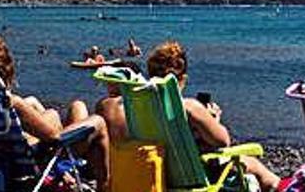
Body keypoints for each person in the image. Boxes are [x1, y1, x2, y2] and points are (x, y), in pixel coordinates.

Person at [0, 36, 110, 192]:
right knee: (98, 121)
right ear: (6, 70)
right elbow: (53, 137)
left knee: (49, 109)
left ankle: (66, 173)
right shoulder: (10, 102)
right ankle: (104, 185)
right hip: (27, 163)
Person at [145, 41, 285, 192]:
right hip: (195, 177)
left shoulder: (142, 107)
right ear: (183, 78)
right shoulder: (189, 107)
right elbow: (222, 141)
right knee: (254, 165)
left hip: (161, 175)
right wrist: (213, 119)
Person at [94, 60, 144, 143]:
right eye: (109, 82)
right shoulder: (147, 102)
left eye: (114, 82)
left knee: (77, 106)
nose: (110, 86)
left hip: (118, 152)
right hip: (147, 151)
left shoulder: (107, 104)